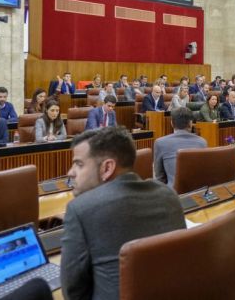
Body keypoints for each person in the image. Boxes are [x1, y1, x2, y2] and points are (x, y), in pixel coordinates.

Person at [60, 126, 186, 300]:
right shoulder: (168, 195)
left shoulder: (80, 209)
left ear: (107, 168)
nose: (70, 172)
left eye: (79, 164)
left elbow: (72, 293)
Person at [154, 107, 207, 187]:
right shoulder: (202, 142)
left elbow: (160, 177)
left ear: (171, 123)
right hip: (197, 193)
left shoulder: (160, 143)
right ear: (190, 123)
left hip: (173, 195)